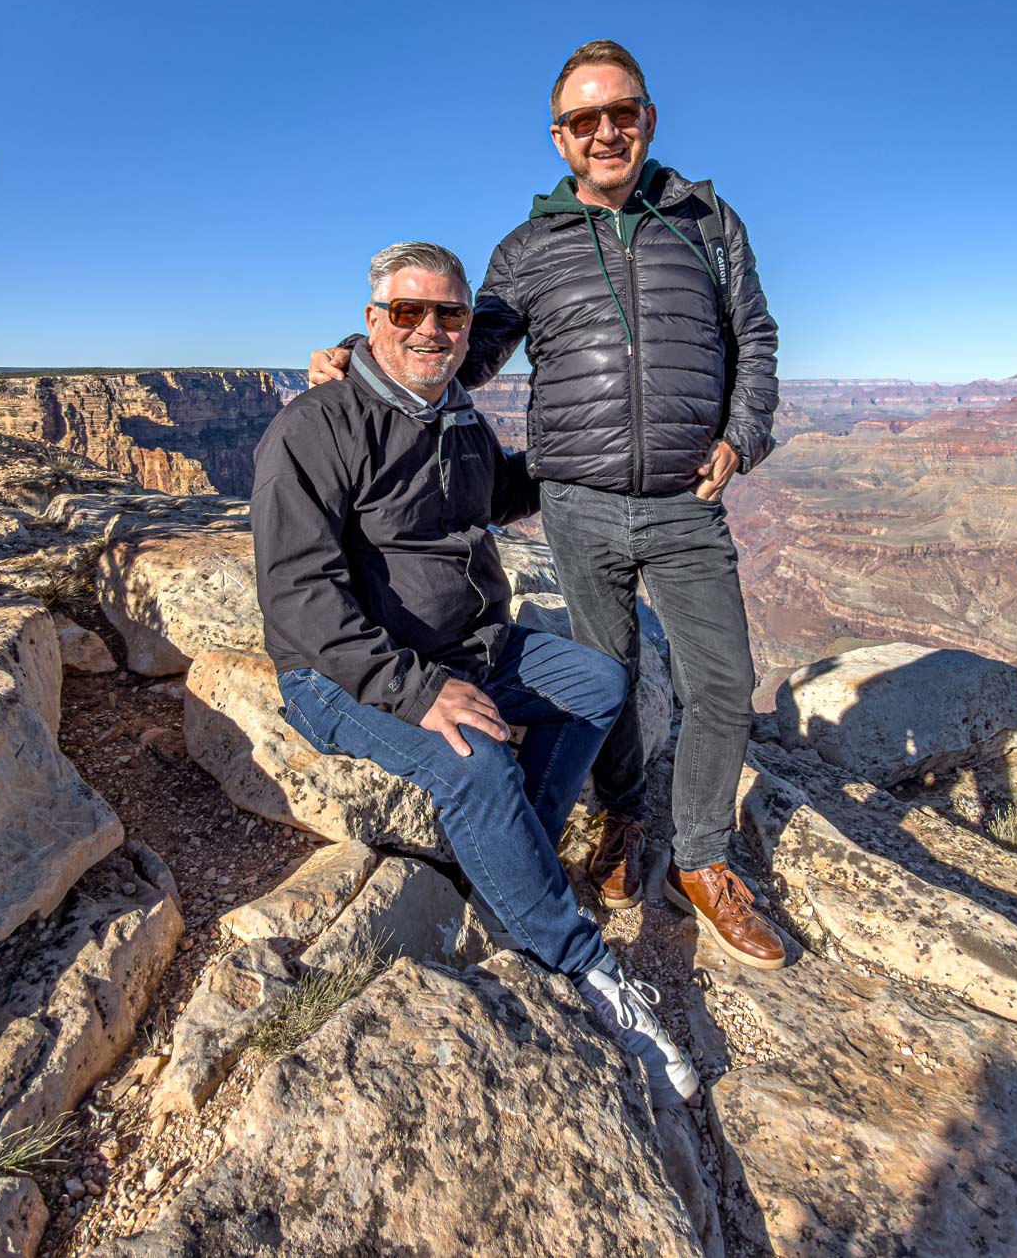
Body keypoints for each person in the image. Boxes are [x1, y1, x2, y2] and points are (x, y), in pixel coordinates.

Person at [308, 41, 786, 969]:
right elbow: (461, 345)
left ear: (649, 118)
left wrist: (744, 436)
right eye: (584, 120)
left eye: (624, 112)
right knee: (604, 676)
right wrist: (355, 355)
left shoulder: (706, 221)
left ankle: (702, 860)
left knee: (721, 679)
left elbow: (754, 335)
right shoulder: (528, 248)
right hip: (577, 501)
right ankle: (625, 824)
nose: (606, 132)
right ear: (559, 137)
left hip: (688, 497)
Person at [255, 240, 700, 1106]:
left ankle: (511, 863)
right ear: (373, 321)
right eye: (408, 312)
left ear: (467, 327)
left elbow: (495, 494)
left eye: (448, 314)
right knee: (474, 753)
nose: (430, 329)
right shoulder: (315, 427)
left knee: (599, 685)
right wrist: (418, 690)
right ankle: (580, 963)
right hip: (342, 674)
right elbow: (298, 599)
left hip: (469, 645)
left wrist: (593, 457)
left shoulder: (454, 412)